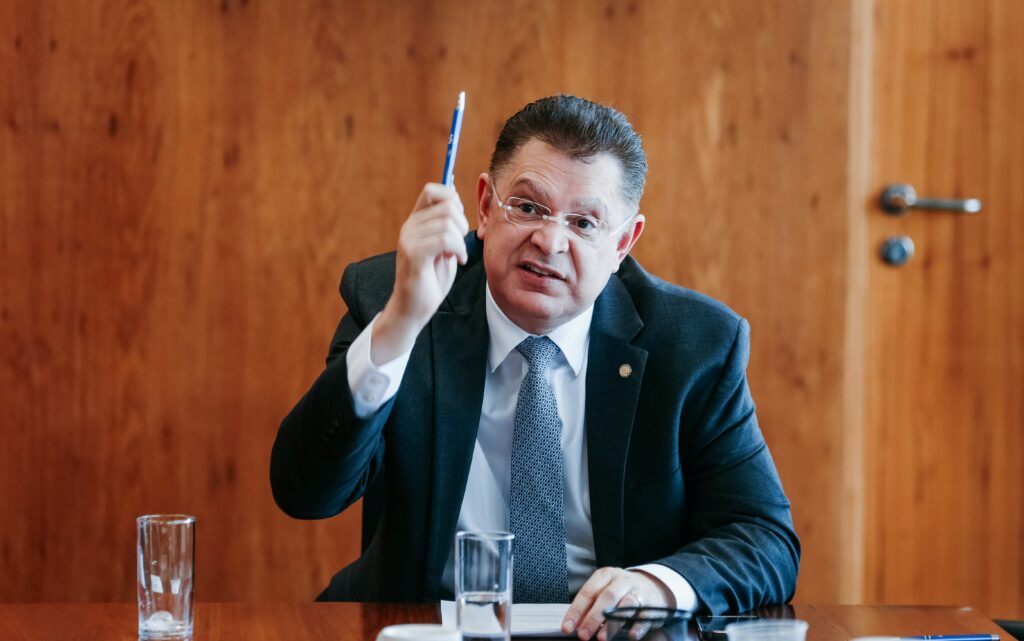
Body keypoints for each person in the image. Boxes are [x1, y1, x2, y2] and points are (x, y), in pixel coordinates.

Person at [271, 95, 799, 637]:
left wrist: (656, 585)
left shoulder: (694, 345)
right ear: (484, 206)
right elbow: (304, 492)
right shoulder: (399, 294)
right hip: (429, 626)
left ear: (623, 243)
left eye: (584, 222)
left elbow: (764, 538)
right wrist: (399, 324)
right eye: (527, 208)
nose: (549, 241)